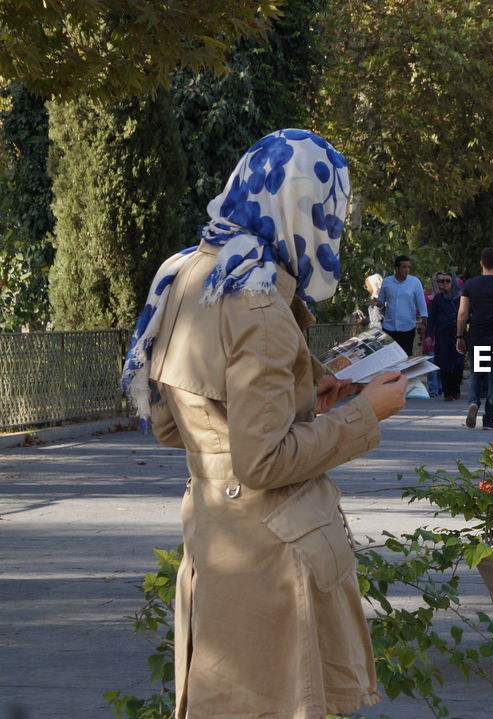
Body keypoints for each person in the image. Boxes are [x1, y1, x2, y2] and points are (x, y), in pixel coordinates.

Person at [119, 130, 405, 718]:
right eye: (329, 211)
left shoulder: (188, 275)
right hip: (273, 552)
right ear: (302, 207)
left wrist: (301, 401)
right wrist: (363, 413)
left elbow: (176, 427)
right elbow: (263, 462)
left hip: (213, 539)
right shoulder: (259, 301)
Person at [457, 247, 493, 430]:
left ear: (481, 263)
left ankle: (473, 402)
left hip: (477, 333)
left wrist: (460, 336)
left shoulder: (470, 285)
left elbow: (463, 313)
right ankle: (489, 418)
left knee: (477, 371)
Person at [378, 255, 428, 356]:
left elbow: (422, 305)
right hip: (389, 328)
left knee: (405, 358)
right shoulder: (387, 281)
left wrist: (424, 323)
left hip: (407, 328)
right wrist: (376, 303)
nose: (407, 270)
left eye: (408, 267)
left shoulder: (415, 282)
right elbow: (381, 302)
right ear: (396, 268)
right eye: (404, 267)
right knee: (388, 358)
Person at [427, 272, 464, 400]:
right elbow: (432, 318)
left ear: (453, 282)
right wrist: (429, 335)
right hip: (443, 335)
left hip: (458, 334)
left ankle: (456, 388)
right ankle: (447, 393)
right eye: (441, 281)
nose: (444, 283)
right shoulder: (438, 298)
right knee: (444, 363)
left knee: (458, 363)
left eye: (447, 281)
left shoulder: (461, 297)